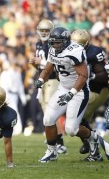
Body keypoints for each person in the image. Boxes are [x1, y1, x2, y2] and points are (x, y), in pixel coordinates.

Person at [34, 27, 102, 163]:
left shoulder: (75, 51)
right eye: (53, 42)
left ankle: (93, 138)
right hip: (63, 88)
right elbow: (48, 68)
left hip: (79, 91)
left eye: (58, 42)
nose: (55, 45)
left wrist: (72, 93)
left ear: (65, 41)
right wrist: (41, 80)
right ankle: (52, 151)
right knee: (48, 119)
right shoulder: (53, 49)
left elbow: (83, 76)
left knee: (71, 129)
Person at [29, 19, 67, 154]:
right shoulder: (38, 44)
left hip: (53, 80)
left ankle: (60, 142)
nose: (44, 33)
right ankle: (54, 138)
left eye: (46, 30)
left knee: (51, 111)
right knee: (46, 110)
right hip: (43, 80)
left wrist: (41, 61)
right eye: (42, 30)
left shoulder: (53, 44)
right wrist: (34, 63)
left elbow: (56, 65)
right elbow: (40, 66)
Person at [70, 29, 108, 155]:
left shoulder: (94, 52)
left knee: (76, 116)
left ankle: (92, 143)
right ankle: (90, 143)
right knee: (77, 117)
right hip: (83, 90)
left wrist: (92, 76)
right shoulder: (69, 52)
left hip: (97, 90)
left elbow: (104, 75)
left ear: (85, 44)